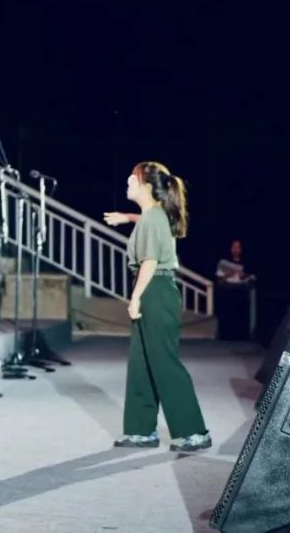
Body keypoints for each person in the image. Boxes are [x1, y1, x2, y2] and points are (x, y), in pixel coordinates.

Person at [105, 161, 211, 453]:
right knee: (141, 362)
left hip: (156, 290)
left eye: (133, 178)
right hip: (155, 289)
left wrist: (136, 297)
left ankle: (194, 432)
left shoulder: (154, 217)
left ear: (147, 186)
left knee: (164, 362)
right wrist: (127, 217)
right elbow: (146, 222)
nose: (128, 181)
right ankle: (141, 430)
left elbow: (150, 262)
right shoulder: (153, 215)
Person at [215, 239, 256, 341]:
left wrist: (244, 276)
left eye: (238, 247)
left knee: (239, 317)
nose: (235, 250)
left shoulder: (246, 263)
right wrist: (228, 274)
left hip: (241, 292)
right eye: (233, 247)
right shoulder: (223, 262)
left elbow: (252, 279)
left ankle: (240, 337)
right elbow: (219, 280)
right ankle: (225, 337)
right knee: (227, 316)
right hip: (227, 291)